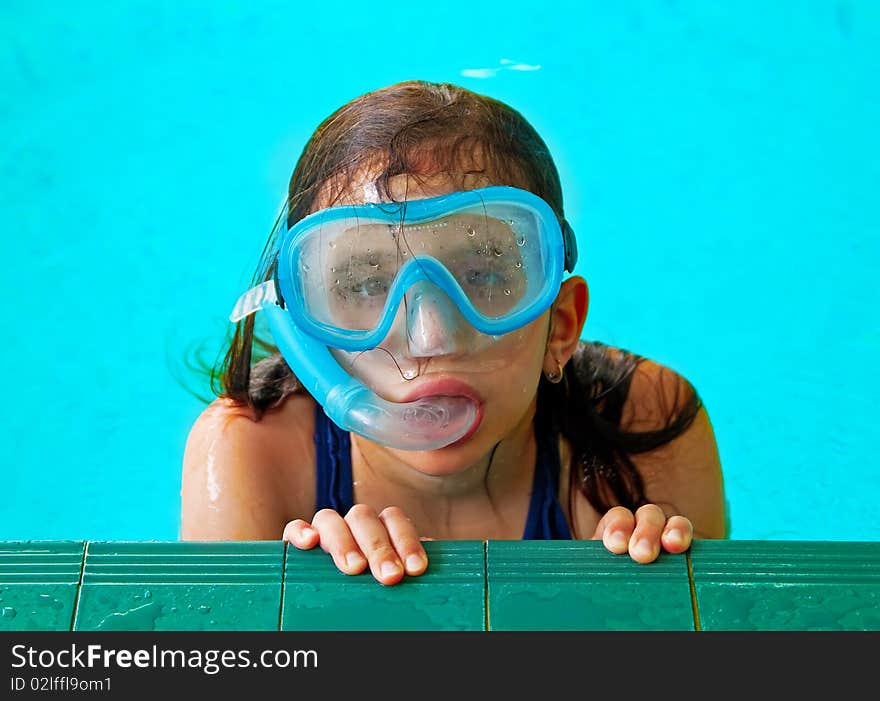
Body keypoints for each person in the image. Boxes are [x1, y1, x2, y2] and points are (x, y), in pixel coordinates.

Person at [181, 80, 726, 586]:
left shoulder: (645, 426)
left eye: (484, 276)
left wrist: (648, 600)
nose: (431, 337)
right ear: (308, 330)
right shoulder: (256, 451)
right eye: (367, 283)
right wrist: (312, 612)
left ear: (560, 326)